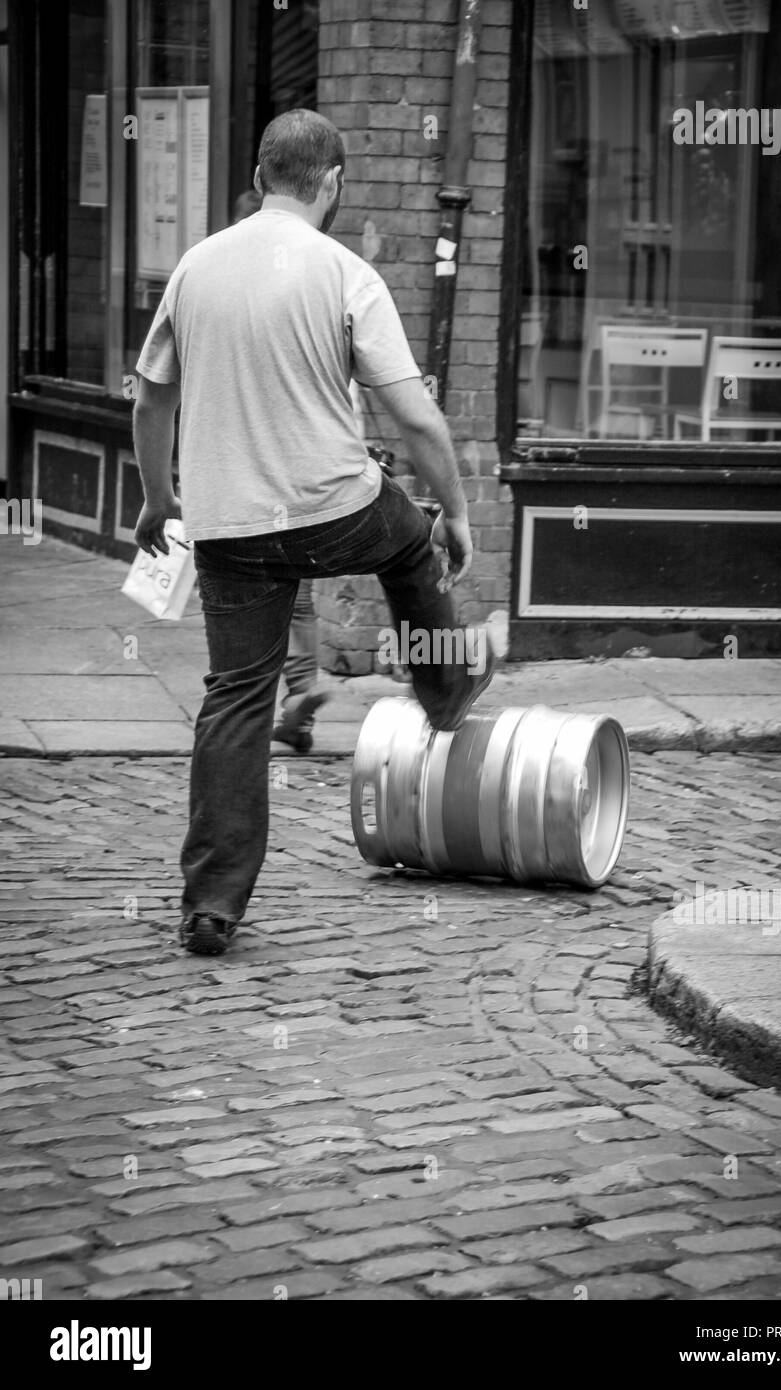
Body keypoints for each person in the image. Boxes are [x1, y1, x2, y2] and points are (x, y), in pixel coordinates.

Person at [132, 109, 495, 957]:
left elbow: (150, 396)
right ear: (330, 183)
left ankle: (212, 906)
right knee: (410, 544)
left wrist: (158, 500)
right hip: (338, 510)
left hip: (228, 527)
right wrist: (458, 513)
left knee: (236, 697)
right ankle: (444, 691)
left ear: (260, 177)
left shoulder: (194, 267)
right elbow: (416, 417)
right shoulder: (344, 272)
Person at [234, 186, 329, 754]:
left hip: (244, 481)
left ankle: (258, 709)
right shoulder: (311, 293)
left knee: (248, 599)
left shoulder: (225, 297)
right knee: (299, 595)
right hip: (303, 476)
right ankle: (302, 697)